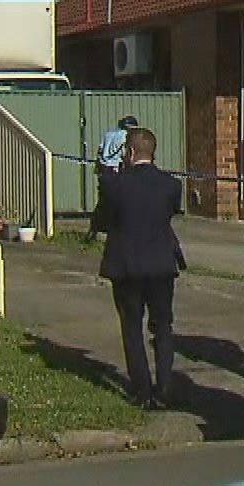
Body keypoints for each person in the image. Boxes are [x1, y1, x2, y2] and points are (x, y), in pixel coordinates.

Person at [92, 126, 184, 409]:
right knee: (163, 326)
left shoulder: (115, 185)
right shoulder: (171, 185)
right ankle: (165, 386)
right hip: (160, 264)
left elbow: (105, 219)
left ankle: (142, 392)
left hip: (127, 265)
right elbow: (168, 213)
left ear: (129, 152)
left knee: (132, 328)